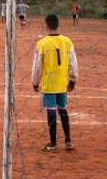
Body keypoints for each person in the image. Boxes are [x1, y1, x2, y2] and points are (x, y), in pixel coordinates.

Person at [32, 14, 78, 152]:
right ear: (59, 25)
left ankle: (53, 144)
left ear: (46, 25)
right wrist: (73, 80)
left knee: (51, 112)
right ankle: (68, 141)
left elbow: (37, 66)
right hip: (62, 83)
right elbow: (73, 63)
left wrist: (35, 82)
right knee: (63, 110)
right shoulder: (67, 41)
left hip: (49, 84)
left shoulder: (42, 43)